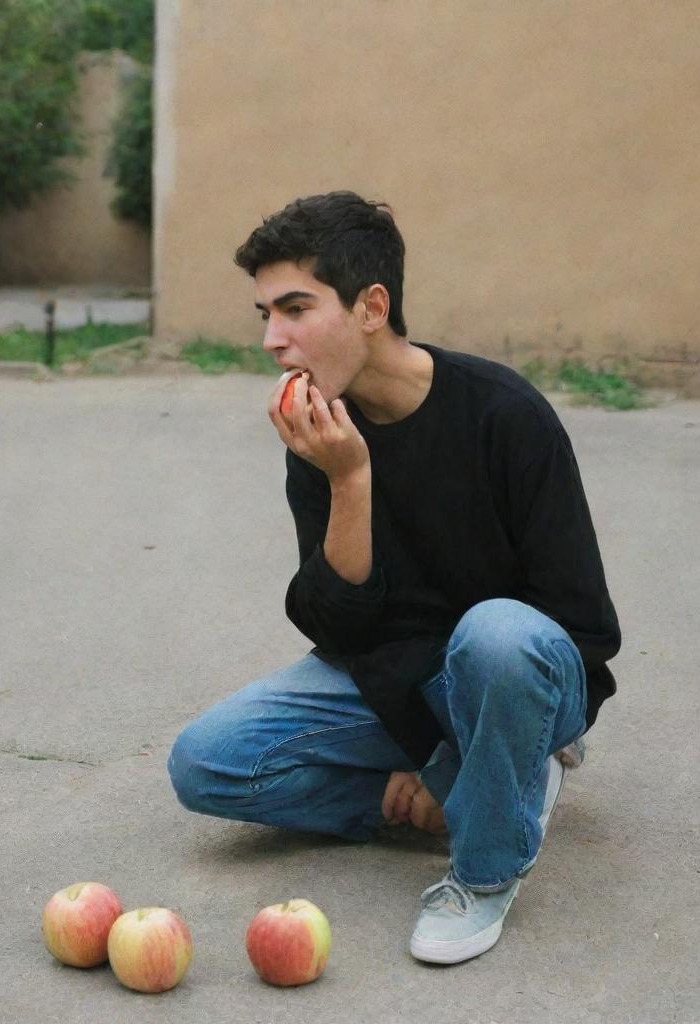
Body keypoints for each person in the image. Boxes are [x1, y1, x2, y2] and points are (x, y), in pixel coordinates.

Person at [167, 190, 621, 964]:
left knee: (497, 633)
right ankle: (480, 790)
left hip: (518, 675)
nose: (274, 340)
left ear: (372, 306)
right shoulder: (323, 432)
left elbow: (583, 627)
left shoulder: (503, 414)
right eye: (264, 315)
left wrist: (466, 719)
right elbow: (338, 627)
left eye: (296, 309)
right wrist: (349, 480)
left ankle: (483, 870)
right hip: (390, 678)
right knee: (205, 762)